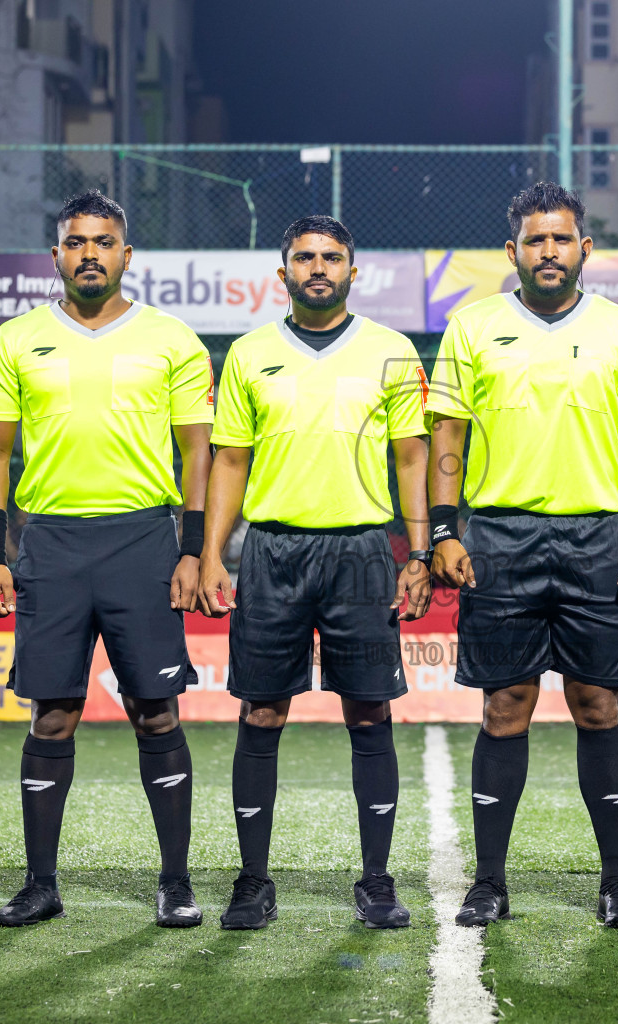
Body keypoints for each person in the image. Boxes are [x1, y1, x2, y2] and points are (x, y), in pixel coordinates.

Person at [427, 182, 618, 930]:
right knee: (507, 707)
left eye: (562, 239)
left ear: (584, 248)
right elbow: (447, 439)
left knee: (599, 707)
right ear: (513, 252)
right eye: (535, 240)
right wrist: (442, 531)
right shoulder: (471, 328)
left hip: (599, 538)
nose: (549, 252)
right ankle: (490, 882)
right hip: (500, 538)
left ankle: (617, 883)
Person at [0, 190, 214, 928]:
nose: (89, 253)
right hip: (49, 544)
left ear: (125, 254)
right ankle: (40, 884)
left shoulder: (173, 338)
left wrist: (193, 549)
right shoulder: (17, 339)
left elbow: (198, 451)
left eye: (103, 241)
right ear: (56, 255)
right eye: (75, 242)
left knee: (155, 711)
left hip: (143, 542)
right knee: (53, 716)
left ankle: (175, 883)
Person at [198, 215, 432, 931]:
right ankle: (252, 880)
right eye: (305, 257)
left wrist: (418, 552)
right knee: (261, 711)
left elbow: (414, 458)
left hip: (362, 552)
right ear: (283, 273)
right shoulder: (247, 353)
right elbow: (229, 460)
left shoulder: (393, 351)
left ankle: (377, 880)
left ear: (353, 271)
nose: (319, 268)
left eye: (333, 257)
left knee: (369, 712)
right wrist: (210, 552)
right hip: (272, 552)